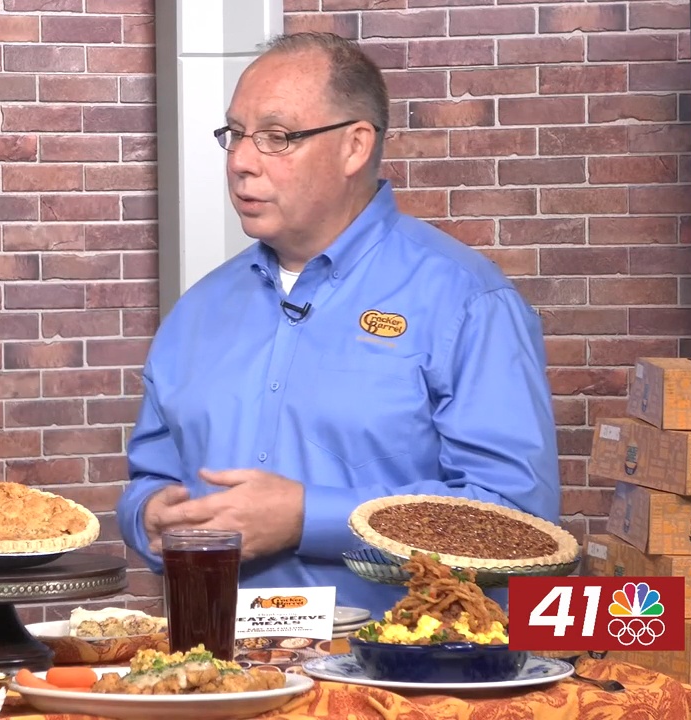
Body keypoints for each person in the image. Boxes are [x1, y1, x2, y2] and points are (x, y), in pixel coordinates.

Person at [116, 31, 560, 616]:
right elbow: (150, 478)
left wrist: (309, 518)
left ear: (355, 146)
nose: (241, 161)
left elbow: (517, 524)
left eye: (277, 137)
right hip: (216, 660)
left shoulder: (466, 301)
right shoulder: (196, 311)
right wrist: (148, 515)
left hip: (397, 665)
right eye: (235, 134)